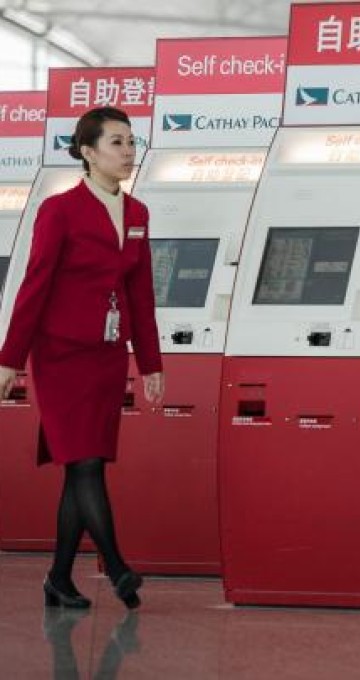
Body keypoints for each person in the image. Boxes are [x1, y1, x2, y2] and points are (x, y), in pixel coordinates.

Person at [0, 106, 164, 610]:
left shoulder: (136, 214)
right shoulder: (60, 210)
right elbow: (34, 286)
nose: (128, 152)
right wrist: (10, 359)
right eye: (117, 143)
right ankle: (116, 566)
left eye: (132, 142)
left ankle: (58, 579)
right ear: (88, 153)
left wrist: (152, 362)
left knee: (81, 467)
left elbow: (140, 293)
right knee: (86, 462)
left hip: (107, 357)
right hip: (62, 357)